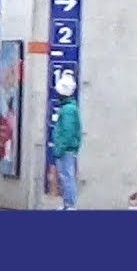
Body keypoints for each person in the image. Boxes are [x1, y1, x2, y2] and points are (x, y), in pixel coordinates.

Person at [51, 74, 82, 210]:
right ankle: (67, 203)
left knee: (67, 176)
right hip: (68, 148)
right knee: (66, 176)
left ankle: (69, 204)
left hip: (66, 149)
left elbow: (67, 132)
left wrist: (59, 148)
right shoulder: (70, 108)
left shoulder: (67, 109)